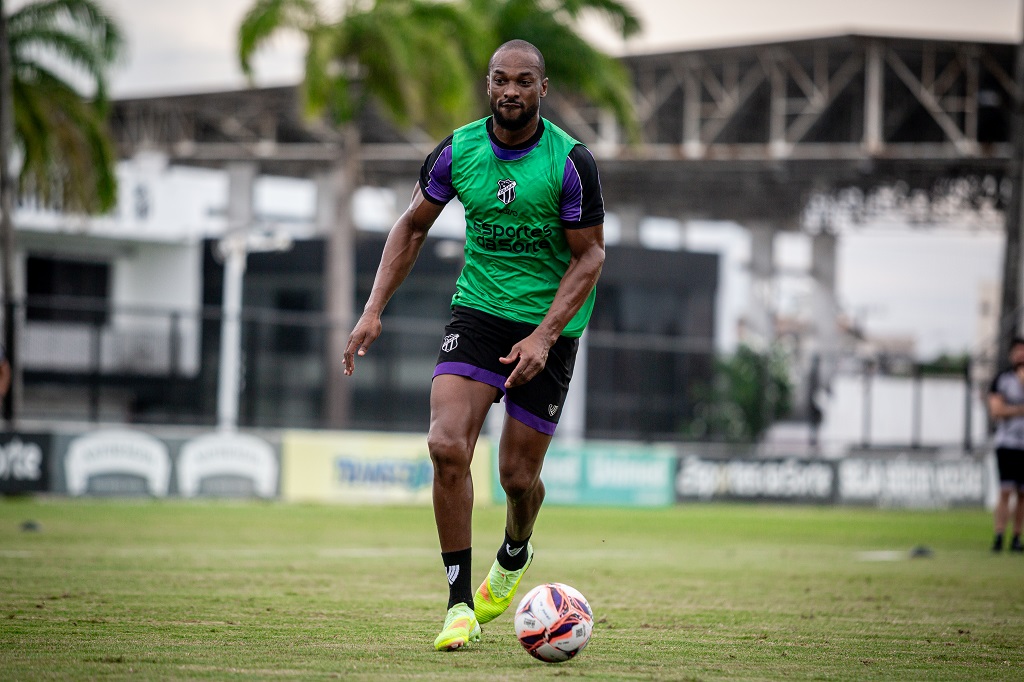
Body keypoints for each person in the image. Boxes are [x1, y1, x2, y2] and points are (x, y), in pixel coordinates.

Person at [342, 39, 605, 650]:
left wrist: (544, 335)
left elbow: (589, 256)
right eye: (499, 80)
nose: (509, 91)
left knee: (516, 475)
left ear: (542, 88)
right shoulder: (457, 151)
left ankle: (514, 551)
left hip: (551, 321)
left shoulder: (571, 162)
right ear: (488, 84)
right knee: (445, 443)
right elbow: (411, 226)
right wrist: (372, 309)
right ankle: (459, 605)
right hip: (479, 310)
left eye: (523, 81)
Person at [987, 336, 1024, 553]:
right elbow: (997, 411)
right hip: (1007, 443)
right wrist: (1019, 410)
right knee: (1005, 490)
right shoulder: (1002, 379)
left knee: (1022, 494)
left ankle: (1017, 537)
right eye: (1017, 350)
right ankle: (999, 534)